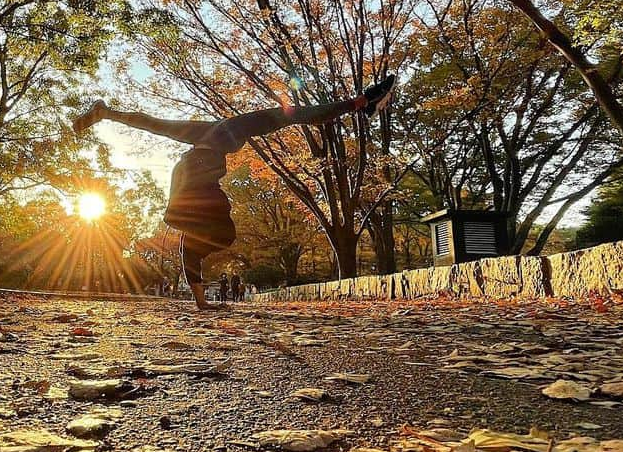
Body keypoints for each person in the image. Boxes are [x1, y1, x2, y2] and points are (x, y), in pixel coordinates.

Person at [72, 76, 395, 311]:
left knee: (203, 233)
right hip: (195, 176)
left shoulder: (203, 131)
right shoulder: (235, 126)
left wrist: (108, 114)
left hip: (186, 176)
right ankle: (363, 102)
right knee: (222, 233)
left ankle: (200, 301)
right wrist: (357, 104)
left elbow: (153, 124)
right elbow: (300, 114)